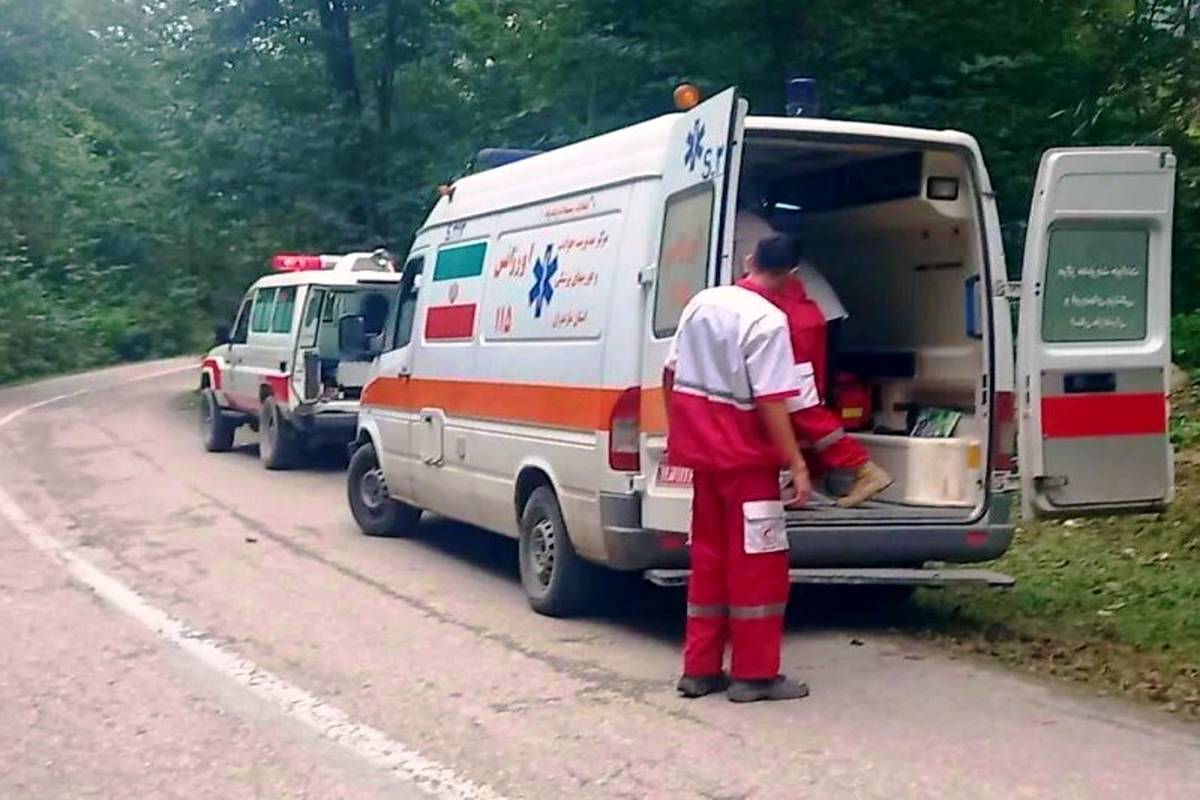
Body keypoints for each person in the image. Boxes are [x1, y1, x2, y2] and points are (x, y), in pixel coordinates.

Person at [664, 270, 812, 703]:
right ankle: (754, 675)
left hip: (705, 461)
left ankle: (700, 670)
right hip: (749, 467)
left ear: (750, 263)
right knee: (758, 570)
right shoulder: (768, 321)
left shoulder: (702, 302)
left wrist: (682, 435)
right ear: (791, 276)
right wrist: (797, 462)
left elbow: (670, 374)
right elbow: (772, 400)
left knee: (708, 562)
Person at [737, 235, 893, 508]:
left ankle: (862, 468)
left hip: (792, 342)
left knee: (805, 414)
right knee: (803, 413)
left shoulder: (757, 292)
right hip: (801, 336)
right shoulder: (789, 286)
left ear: (752, 260)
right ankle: (806, 478)